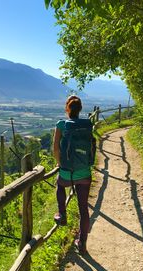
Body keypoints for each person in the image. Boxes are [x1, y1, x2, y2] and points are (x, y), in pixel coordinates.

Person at [53, 95, 93, 255]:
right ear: (80, 109)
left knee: (60, 185)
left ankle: (62, 214)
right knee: (84, 209)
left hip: (67, 171)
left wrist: (59, 163)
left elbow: (56, 148)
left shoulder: (62, 125)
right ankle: (82, 243)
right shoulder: (87, 124)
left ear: (67, 108)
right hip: (84, 172)